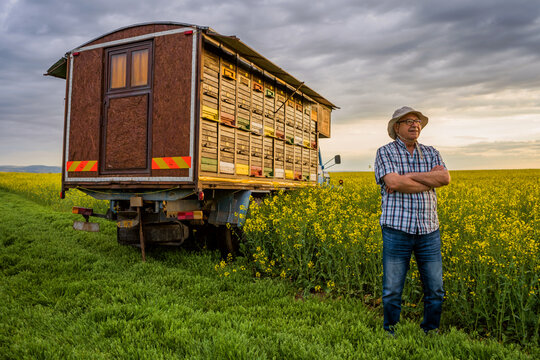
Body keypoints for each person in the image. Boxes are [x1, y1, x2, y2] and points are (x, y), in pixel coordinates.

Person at [374, 106, 451, 335]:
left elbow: (444, 178)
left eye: (417, 121)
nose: (414, 124)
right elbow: (394, 183)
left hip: (429, 229)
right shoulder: (385, 152)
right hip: (397, 229)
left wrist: (407, 176)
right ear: (396, 127)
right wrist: (428, 181)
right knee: (392, 289)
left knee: (435, 288)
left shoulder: (431, 152)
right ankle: (391, 331)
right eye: (408, 121)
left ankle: (430, 330)